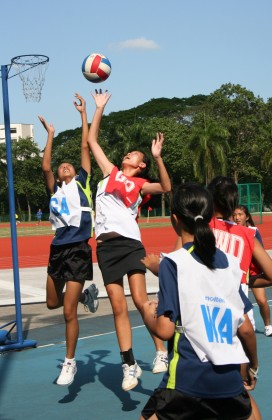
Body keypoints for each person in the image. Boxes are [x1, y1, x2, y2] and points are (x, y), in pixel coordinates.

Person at [140, 183, 258, 420]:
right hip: (229, 383)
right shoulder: (230, 263)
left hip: (186, 381)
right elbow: (245, 329)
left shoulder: (172, 264)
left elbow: (164, 330)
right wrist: (252, 367)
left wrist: (146, 310)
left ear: (174, 220)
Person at [87, 89, 171, 391]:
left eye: (134, 154)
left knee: (138, 299)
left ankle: (162, 350)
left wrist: (158, 158)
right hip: (106, 247)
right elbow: (92, 141)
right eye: (129, 153)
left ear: (141, 164)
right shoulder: (109, 173)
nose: (128, 153)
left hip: (130, 243)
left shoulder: (139, 184)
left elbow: (165, 186)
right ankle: (129, 364)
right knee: (118, 307)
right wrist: (98, 108)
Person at [38, 93, 99, 386]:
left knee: (67, 311)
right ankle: (87, 296)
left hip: (77, 250)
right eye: (62, 166)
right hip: (57, 249)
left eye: (69, 165)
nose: (64, 166)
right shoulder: (55, 190)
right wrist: (50, 134)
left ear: (76, 171)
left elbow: (86, 146)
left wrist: (83, 114)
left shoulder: (83, 182)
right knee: (52, 303)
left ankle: (70, 362)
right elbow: (46, 167)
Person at [233, 205, 272, 337]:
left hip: (253, 273)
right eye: (235, 215)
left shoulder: (253, 231)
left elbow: (258, 251)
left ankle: (268, 325)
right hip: (239, 274)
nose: (237, 217)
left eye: (240, 214)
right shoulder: (231, 231)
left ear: (247, 217)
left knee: (261, 301)